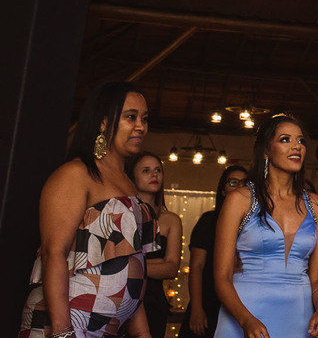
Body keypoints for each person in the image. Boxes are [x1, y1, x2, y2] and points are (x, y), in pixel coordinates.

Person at [21, 82, 157, 338]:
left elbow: (133, 266)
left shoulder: (129, 184)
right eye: (131, 117)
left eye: (145, 118)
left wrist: (143, 332)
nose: (141, 126)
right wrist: (62, 332)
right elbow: (53, 253)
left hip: (109, 327)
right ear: (103, 122)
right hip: (70, 320)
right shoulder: (76, 173)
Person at [213, 114, 318, 338]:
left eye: (301, 141)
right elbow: (222, 277)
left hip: (299, 316)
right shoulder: (240, 200)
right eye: (285, 139)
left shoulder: (316, 206)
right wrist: (245, 320)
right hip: (245, 314)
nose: (297, 146)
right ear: (266, 150)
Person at [181, 165, 249, 338]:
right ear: (223, 191)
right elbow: (196, 267)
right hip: (209, 299)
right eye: (233, 182)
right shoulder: (209, 221)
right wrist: (197, 308)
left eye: (245, 183)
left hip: (243, 301)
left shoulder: (254, 225)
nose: (240, 187)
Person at [128, 152, 184, 338]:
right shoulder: (123, 214)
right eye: (146, 170)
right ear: (132, 177)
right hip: (123, 296)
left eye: (158, 170)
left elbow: (171, 268)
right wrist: (157, 263)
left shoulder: (171, 220)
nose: (154, 174)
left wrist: (130, 265)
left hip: (153, 300)